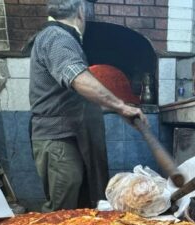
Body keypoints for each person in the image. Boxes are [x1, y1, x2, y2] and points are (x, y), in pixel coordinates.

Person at [28, 0, 147, 212]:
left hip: (69, 138)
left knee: (80, 209)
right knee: (62, 213)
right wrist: (121, 106)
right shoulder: (57, 37)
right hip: (60, 141)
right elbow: (78, 78)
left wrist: (116, 109)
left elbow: (72, 100)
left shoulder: (58, 37)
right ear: (81, 11)